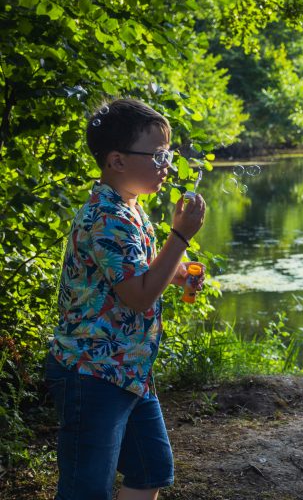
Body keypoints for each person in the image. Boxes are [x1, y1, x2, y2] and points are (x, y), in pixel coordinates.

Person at [45, 99, 206, 500]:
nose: (166, 164)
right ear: (117, 161)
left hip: (129, 371)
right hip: (92, 372)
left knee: (150, 470)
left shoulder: (131, 209)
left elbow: (139, 272)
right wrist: (181, 237)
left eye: (168, 154)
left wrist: (178, 271)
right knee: (86, 490)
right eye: (156, 155)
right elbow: (136, 295)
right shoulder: (107, 217)